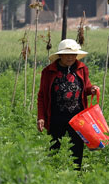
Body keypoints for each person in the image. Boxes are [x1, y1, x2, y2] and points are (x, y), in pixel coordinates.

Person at [37, 38, 100, 167]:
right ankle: (52, 174)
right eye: (67, 55)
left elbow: (86, 87)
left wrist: (92, 89)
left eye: (73, 54)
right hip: (56, 116)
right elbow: (42, 96)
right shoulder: (48, 71)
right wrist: (41, 117)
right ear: (60, 55)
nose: (71, 57)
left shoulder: (82, 69)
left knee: (77, 148)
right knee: (54, 147)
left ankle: (76, 175)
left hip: (77, 117)